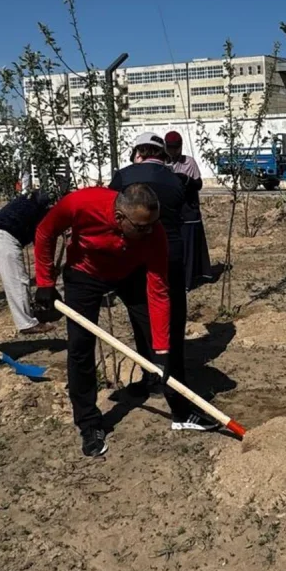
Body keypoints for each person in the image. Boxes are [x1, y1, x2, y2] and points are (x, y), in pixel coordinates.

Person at [33, 184, 184, 457]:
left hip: (130, 272)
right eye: (141, 227)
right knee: (80, 346)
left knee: (155, 335)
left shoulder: (153, 233)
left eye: (153, 224)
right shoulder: (81, 204)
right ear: (119, 218)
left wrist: (161, 350)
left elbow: (159, 292)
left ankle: (179, 405)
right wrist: (45, 281)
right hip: (84, 273)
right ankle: (89, 422)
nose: (149, 231)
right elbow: (45, 231)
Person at [108, 133, 212, 433]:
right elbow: (179, 212)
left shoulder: (122, 177)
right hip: (169, 258)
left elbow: (113, 213)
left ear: (139, 151)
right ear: (162, 154)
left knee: (140, 317)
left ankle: (150, 377)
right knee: (171, 322)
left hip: (130, 259)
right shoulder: (173, 180)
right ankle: (174, 385)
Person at [0, 190, 57, 335]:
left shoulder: (30, 199)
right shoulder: (43, 210)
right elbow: (42, 239)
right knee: (18, 282)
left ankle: (27, 312)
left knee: (13, 281)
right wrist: (48, 268)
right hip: (3, 237)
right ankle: (26, 323)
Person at [164, 131, 212, 291]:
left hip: (188, 209)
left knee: (189, 246)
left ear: (180, 147)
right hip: (171, 211)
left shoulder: (188, 162)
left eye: (175, 148)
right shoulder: (162, 163)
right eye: (169, 148)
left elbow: (198, 184)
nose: (173, 151)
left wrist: (186, 180)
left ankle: (187, 280)